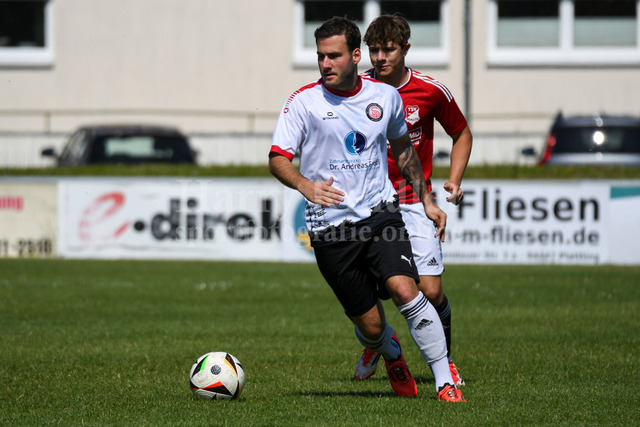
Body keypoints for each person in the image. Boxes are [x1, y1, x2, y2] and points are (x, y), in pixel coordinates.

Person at [269, 16, 465, 402]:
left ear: (355, 56)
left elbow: (403, 149)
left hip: (380, 214)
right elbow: (278, 158)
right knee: (372, 328)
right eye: (321, 56)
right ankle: (389, 351)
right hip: (330, 228)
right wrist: (305, 185)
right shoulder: (303, 102)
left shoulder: (385, 97)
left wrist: (426, 201)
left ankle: (444, 380)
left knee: (406, 289)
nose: (325, 63)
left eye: (334, 56)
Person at [353, 14, 473, 388]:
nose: (380, 57)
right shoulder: (359, 89)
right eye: (374, 50)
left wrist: (454, 180)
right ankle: (380, 341)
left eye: (388, 49)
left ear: (405, 49)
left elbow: (462, 133)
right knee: (380, 292)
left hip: (414, 200)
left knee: (431, 290)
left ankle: (445, 361)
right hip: (371, 204)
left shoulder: (431, 91)